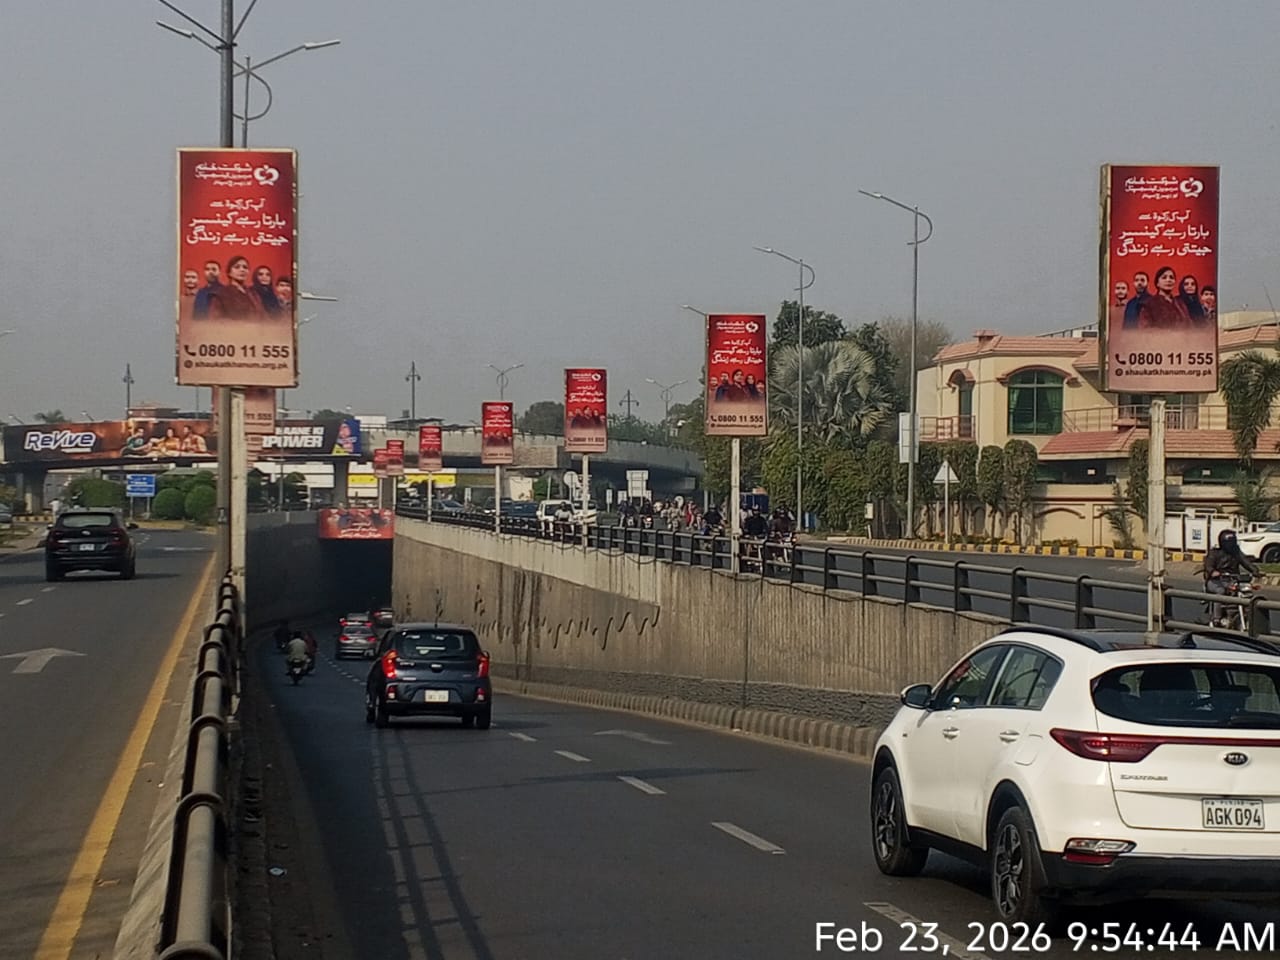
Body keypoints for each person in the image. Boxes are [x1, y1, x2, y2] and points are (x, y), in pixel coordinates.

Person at [1203, 529, 1260, 624]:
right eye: (1228, 542)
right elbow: (1208, 565)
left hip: (1233, 580)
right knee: (1220, 591)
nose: (1231, 545)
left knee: (1247, 592)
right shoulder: (1214, 553)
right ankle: (1217, 618)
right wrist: (1213, 571)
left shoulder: (1236, 552)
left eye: (1232, 542)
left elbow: (1245, 561)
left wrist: (1255, 570)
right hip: (1216, 581)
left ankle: (1250, 617)